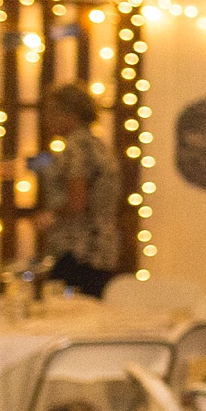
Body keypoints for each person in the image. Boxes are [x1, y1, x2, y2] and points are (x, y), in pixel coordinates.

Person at [35, 82, 120, 298]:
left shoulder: (75, 148)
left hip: (77, 249)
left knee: (64, 312)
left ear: (70, 114)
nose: (48, 120)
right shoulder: (99, 146)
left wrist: (50, 216)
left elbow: (77, 201)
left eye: (53, 112)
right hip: (103, 248)